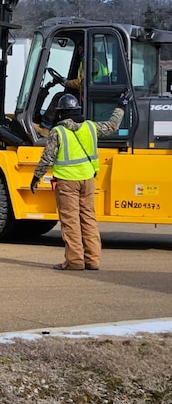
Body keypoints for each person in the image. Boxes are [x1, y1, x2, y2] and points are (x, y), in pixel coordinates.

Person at [30, 90, 131, 271]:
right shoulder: (91, 127)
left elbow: (47, 158)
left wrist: (36, 177)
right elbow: (112, 125)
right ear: (77, 110)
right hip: (88, 179)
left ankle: (75, 261)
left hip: (67, 182)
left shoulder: (58, 132)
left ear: (61, 112)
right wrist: (121, 106)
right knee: (89, 219)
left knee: (70, 221)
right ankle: (92, 260)